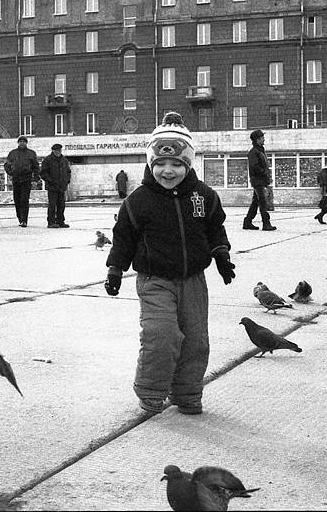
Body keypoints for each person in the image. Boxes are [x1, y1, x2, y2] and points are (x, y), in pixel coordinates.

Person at [104, 112, 235, 416]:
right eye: (160, 164)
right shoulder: (138, 201)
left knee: (196, 339)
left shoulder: (204, 196)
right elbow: (123, 237)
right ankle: (151, 392)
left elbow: (215, 227)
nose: (168, 171)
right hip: (154, 280)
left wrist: (221, 254)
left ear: (188, 164)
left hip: (193, 280)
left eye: (177, 164)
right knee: (161, 335)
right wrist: (115, 269)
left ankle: (187, 392)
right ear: (150, 163)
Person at [242, 129, 276, 231]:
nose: (264, 139)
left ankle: (247, 222)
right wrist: (264, 173)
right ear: (257, 140)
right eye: (262, 138)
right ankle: (266, 223)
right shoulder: (254, 152)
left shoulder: (260, 150)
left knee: (256, 202)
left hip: (261, 180)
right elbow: (254, 167)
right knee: (262, 201)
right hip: (257, 181)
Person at [4, 135, 40, 227]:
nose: (22, 143)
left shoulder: (31, 153)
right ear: (18, 143)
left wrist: (35, 179)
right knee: (17, 200)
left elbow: (36, 167)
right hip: (16, 179)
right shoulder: (12, 153)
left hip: (26, 179)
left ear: (26, 143)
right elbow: (6, 165)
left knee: (24, 200)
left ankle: (24, 220)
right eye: (20, 141)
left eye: (24, 141)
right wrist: (11, 172)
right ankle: (20, 218)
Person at [40, 143, 71, 228]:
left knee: (61, 205)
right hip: (52, 186)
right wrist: (51, 181)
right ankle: (51, 222)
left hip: (62, 186)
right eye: (56, 150)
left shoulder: (64, 160)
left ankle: (60, 221)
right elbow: (43, 173)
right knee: (52, 204)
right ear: (53, 151)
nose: (58, 152)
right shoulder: (48, 160)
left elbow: (68, 172)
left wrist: (66, 181)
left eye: (59, 150)